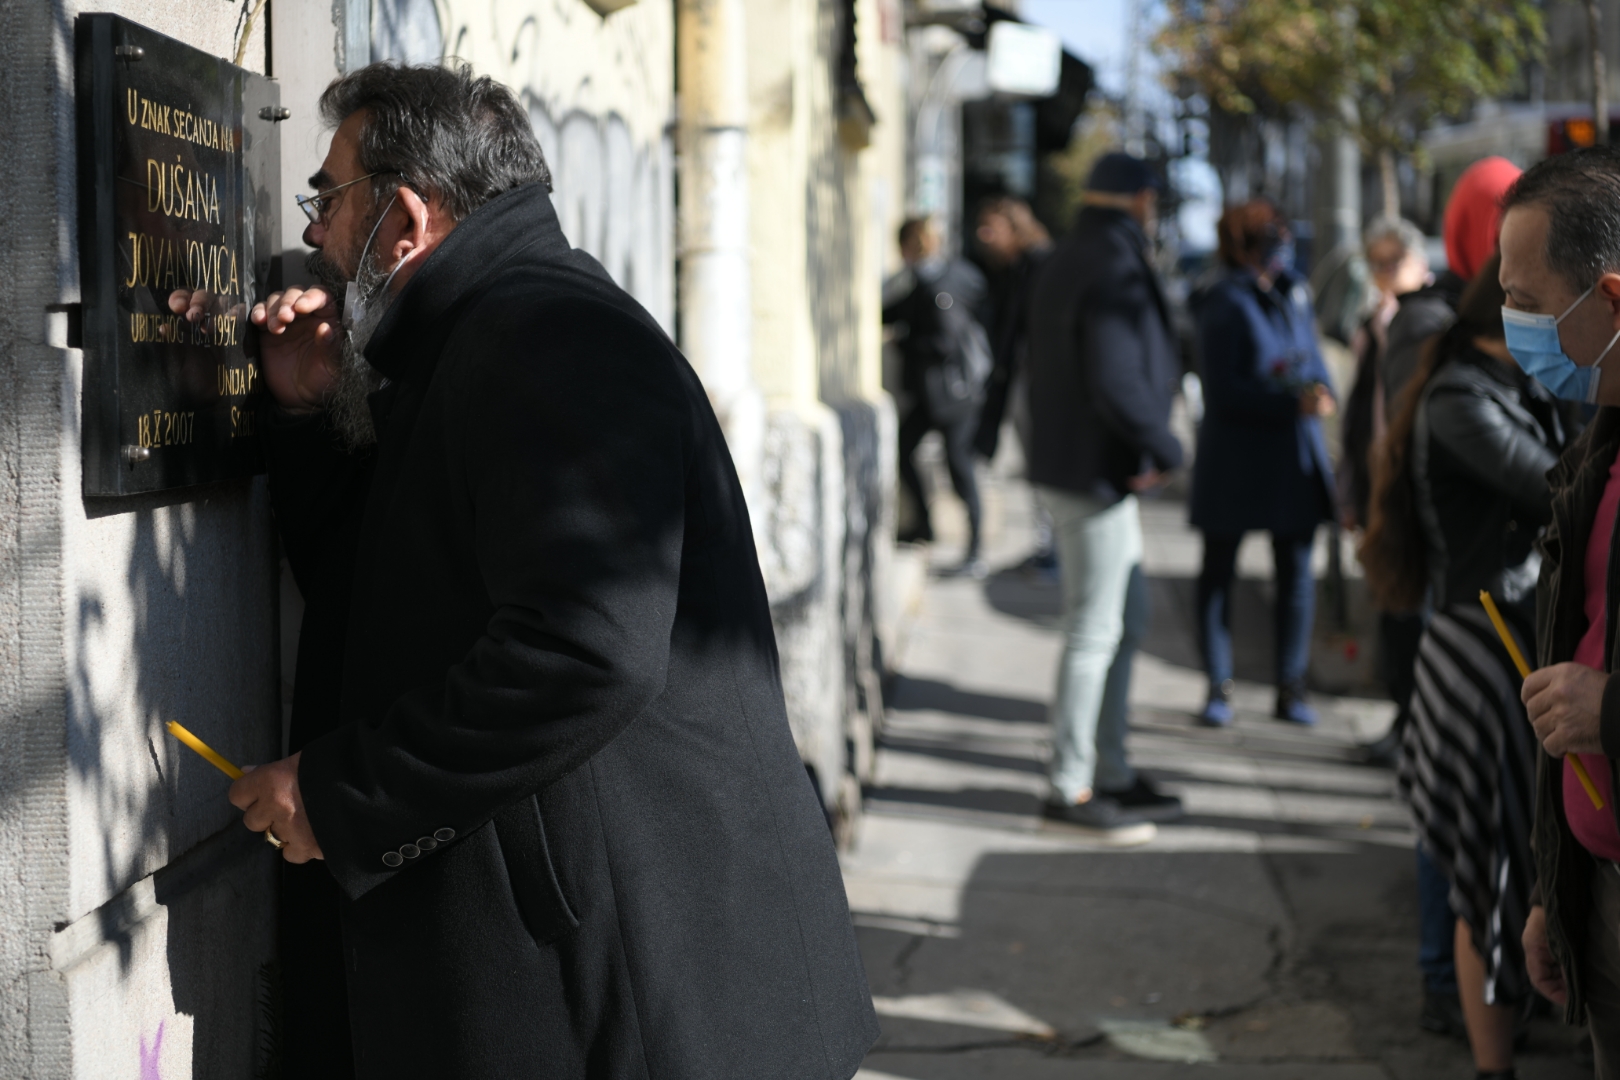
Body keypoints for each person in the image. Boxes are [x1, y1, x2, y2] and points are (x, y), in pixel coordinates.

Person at [202, 63, 878, 1077]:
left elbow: (585, 650)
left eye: (328, 198)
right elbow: (390, 598)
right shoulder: (476, 340)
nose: (309, 232)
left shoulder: (548, 339)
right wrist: (302, 413)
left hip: (623, 977)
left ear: (406, 221)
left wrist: (347, 797)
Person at [1363, 254, 1565, 1080]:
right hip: (1480, 652)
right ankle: (1487, 1056)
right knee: (1486, 874)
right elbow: (1555, 486)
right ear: (1509, 312)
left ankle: (1486, 1014)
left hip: (1505, 644)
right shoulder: (1460, 399)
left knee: (1500, 862)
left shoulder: (1505, 386)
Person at [1497, 145, 1620, 1077]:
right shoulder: (1598, 452)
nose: (1513, 332)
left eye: (1531, 306)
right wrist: (1557, 888)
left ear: (1610, 298)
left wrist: (1607, 709)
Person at [1025, 151, 1185, 842]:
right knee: (1094, 630)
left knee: (1128, 617)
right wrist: (1168, 446)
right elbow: (1116, 378)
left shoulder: (1073, 254)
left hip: (1083, 468)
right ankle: (1068, 786)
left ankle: (1110, 769)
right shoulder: (1111, 262)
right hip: (1088, 472)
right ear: (1142, 199)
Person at [1190, 199, 1336, 726]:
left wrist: (1324, 392)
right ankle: (1218, 686)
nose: (1282, 246)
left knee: (1296, 573)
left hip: (1290, 457)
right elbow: (1223, 389)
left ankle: (1290, 688)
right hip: (1235, 457)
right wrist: (1287, 403)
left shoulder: (1293, 292)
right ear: (1244, 244)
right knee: (1218, 572)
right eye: (1270, 237)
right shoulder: (1222, 300)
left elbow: (1313, 356)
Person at [884, 217, 992, 576]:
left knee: (959, 467)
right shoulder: (930, 279)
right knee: (905, 451)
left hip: (952, 395)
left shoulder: (938, 284)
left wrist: (904, 342)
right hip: (932, 395)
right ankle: (924, 527)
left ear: (912, 245)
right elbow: (897, 310)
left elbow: (944, 340)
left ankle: (975, 548)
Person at [973, 197, 1057, 573]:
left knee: (1044, 467)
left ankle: (1051, 552)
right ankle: (1047, 548)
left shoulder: (1038, 264)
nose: (983, 236)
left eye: (992, 228)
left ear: (1015, 228)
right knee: (1035, 467)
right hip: (1025, 380)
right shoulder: (1015, 267)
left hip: (1038, 382)